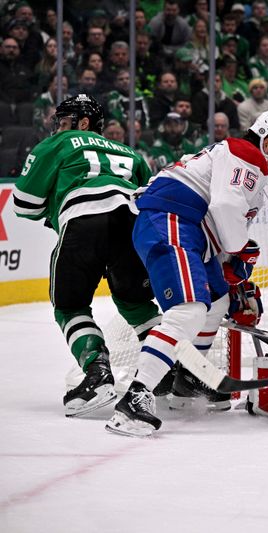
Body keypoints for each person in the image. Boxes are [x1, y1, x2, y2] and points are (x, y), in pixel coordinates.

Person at [105, 110, 268, 437]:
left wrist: (236, 276)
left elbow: (223, 225)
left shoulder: (239, 158)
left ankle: (188, 379)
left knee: (219, 299)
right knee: (190, 311)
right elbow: (224, 210)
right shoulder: (247, 153)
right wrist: (242, 250)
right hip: (172, 220)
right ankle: (136, 396)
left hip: (191, 230)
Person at [12, 94, 161, 418]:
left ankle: (97, 373)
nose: (59, 127)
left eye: (64, 121)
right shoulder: (131, 153)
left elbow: (23, 204)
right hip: (132, 225)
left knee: (69, 305)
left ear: (83, 123)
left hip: (84, 221)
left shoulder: (61, 143)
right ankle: (171, 373)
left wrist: (55, 203)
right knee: (136, 303)